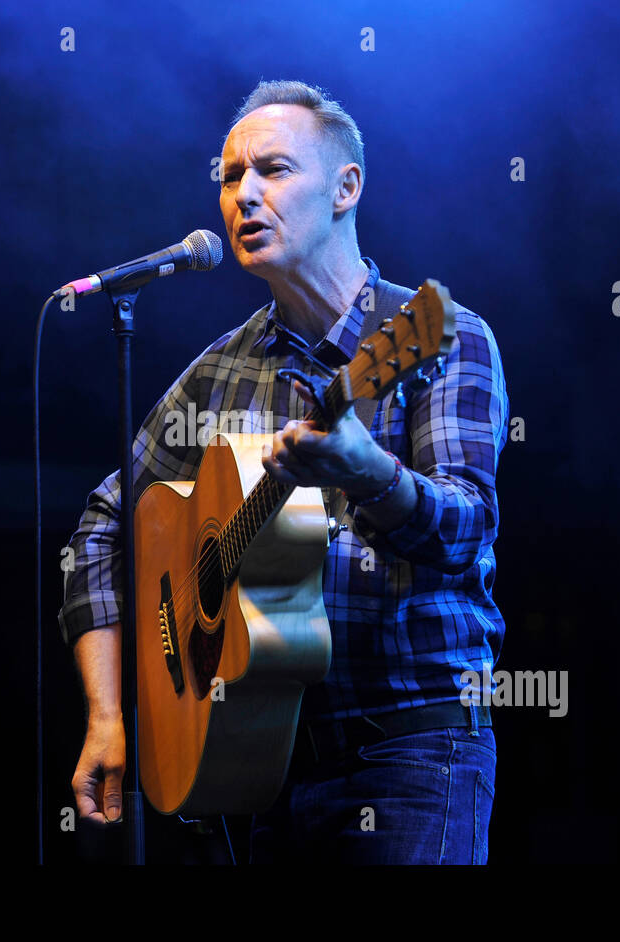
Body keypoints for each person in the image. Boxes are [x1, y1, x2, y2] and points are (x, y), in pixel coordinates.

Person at [58, 79, 509, 864]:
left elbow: (465, 529)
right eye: (230, 177)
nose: (244, 195)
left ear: (346, 187)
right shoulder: (219, 371)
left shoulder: (437, 338)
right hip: (254, 765)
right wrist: (107, 712)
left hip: (408, 750)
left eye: (273, 169)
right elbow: (101, 528)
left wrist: (371, 472)